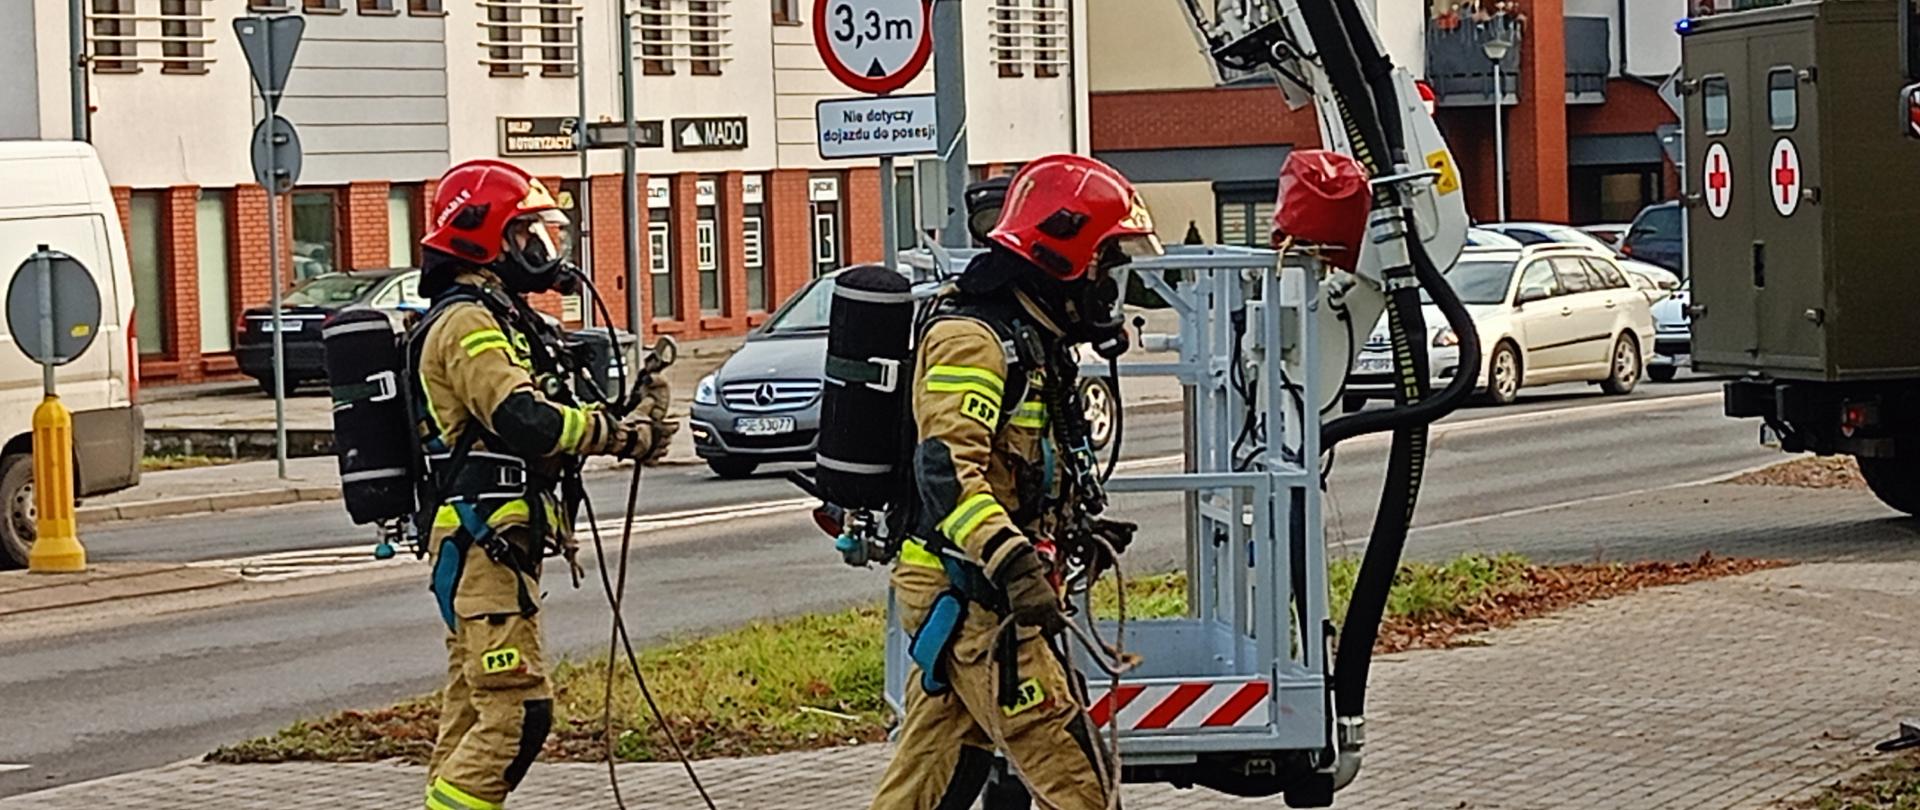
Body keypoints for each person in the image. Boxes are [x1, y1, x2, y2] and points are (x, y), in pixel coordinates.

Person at [869, 154, 1159, 810]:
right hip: (972, 595)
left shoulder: (1033, 337)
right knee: (1079, 780)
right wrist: (1013, 562)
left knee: (930, 778)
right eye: (1106, 264)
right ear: (1062, 260)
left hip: (975, 592)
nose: (1112, 286)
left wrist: (1066, 525)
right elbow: (948, 473)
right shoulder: (974, 340)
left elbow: (1016, 467)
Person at [413, 159, 675, 810]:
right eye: (530, 235)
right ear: (486, 236)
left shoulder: (501, 317)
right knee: (516, 717)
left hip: (495, 547)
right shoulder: (466, 324)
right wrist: (615, 436)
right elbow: (521, 418)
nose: (545, 252)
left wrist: (630, 412)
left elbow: (558, 402)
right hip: (484, 545)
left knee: (474, 720)